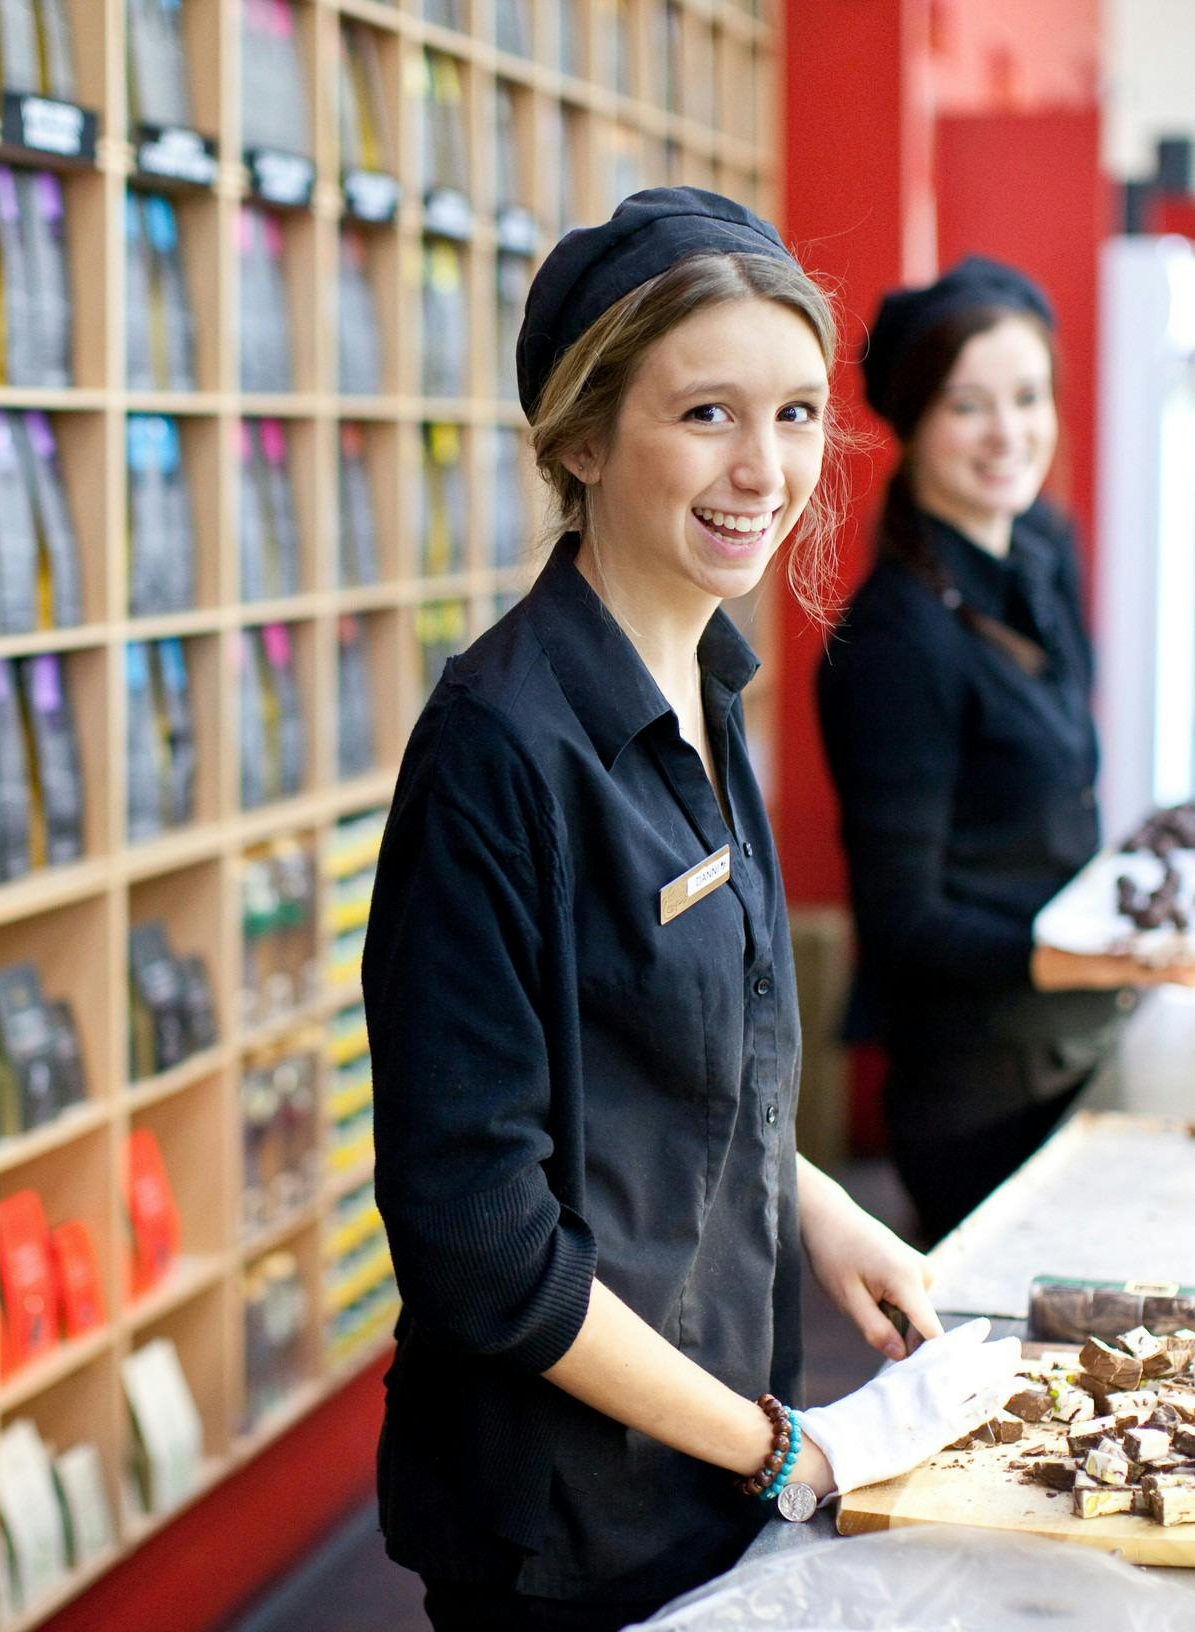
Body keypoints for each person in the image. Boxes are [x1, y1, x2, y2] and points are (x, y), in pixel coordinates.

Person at [365, 190, 1026, 1632]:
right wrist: (784, 1448)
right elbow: (476, 1230)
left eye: (795, 415)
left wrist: (822, 1208)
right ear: (583, 439)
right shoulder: (498, 745)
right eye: (708, 414)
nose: (765, 468)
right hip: (565, 1522)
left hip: (709, 1464)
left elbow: (668, 1074)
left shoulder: (709, 683)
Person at [815, 258, 1195, 1246]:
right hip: (978, 1094)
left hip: (1080, 1041)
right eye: (967, 406)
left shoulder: (1040, 553)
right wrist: (1102, 956)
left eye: (1028, 397)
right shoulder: (894, 643)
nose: (1009, 434)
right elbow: (904, 926)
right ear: (912, 422)